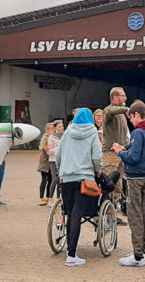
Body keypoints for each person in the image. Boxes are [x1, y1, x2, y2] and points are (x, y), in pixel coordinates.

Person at [55, 108, 103, 267]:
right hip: (84, 178)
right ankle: (71, 254)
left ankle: (70, 251)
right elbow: (96, 156)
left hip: (66, 177)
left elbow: (58, 154)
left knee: (70, 214)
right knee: (77, 213)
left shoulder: (68, 132)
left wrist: (60, 169)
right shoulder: (92, 132)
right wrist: (97, 170)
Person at [113, 100, 145, 267]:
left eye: (131, 117)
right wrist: (125, 148)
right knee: (141, 215)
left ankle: (138, 255)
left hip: (135, 178)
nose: (130, 120)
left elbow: (133, 157)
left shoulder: (138, 133)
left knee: (134, 216)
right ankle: (141, 251)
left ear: (137, 115)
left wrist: (120, 152)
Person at [102, 87, 130, 203]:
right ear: (115, 97)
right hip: (110, 153)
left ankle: (113, 213)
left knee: (118, 186)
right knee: (109, 184)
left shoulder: (121, 114)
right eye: (123, 96)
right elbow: (111, 111)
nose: (125, 98)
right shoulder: (108, 111)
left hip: (121, 153)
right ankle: (105, 212)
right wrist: (127, 109)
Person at [46, 120, 64, 200]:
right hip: (53, 160)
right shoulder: (51, 137)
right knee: (55, 179)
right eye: (59, 126)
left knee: (61, 179)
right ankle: (50, 198)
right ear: (55, 127)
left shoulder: (65, 135)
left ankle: (59, 198)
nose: (61, 128)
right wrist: (57, 149)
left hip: (62, 160)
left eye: (62, 126)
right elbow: (49, 151)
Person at [37, 123, 54, 206]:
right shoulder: (45, 137)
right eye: (50, 129)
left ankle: (48, 197)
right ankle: (41, 197)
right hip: (44, 162)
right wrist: (44, 148)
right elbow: (41, 146)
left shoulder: (55, 137)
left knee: (51, 180)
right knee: (44, 180)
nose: (52, 130)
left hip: (52, 161)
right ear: (47, 130)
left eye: (53, 129)